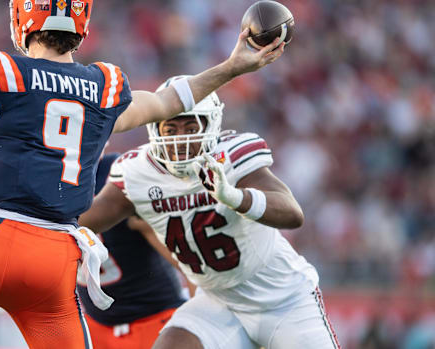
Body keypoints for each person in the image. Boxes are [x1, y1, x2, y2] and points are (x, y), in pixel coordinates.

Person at [0, 0, 284, 349]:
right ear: (81, 20)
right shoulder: (101, 87)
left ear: (23, 14)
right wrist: (232, 66)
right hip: (57, 258)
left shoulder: (3, 73)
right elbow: (166, 103)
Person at [78, 80, 340, 349]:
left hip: (282, 297)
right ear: (155, 129)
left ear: (211, 126)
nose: (181, 139)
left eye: (191, 128)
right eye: (171, 129)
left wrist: (236, 197)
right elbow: (82, 220)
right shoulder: (138, 173)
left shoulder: (231, 157)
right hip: (218, 300)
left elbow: (292, 212)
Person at [76, 152, 189, 349]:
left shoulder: (118, 174)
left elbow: (188, 265)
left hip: (154, 318)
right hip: (95, 323)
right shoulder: (43, 178)